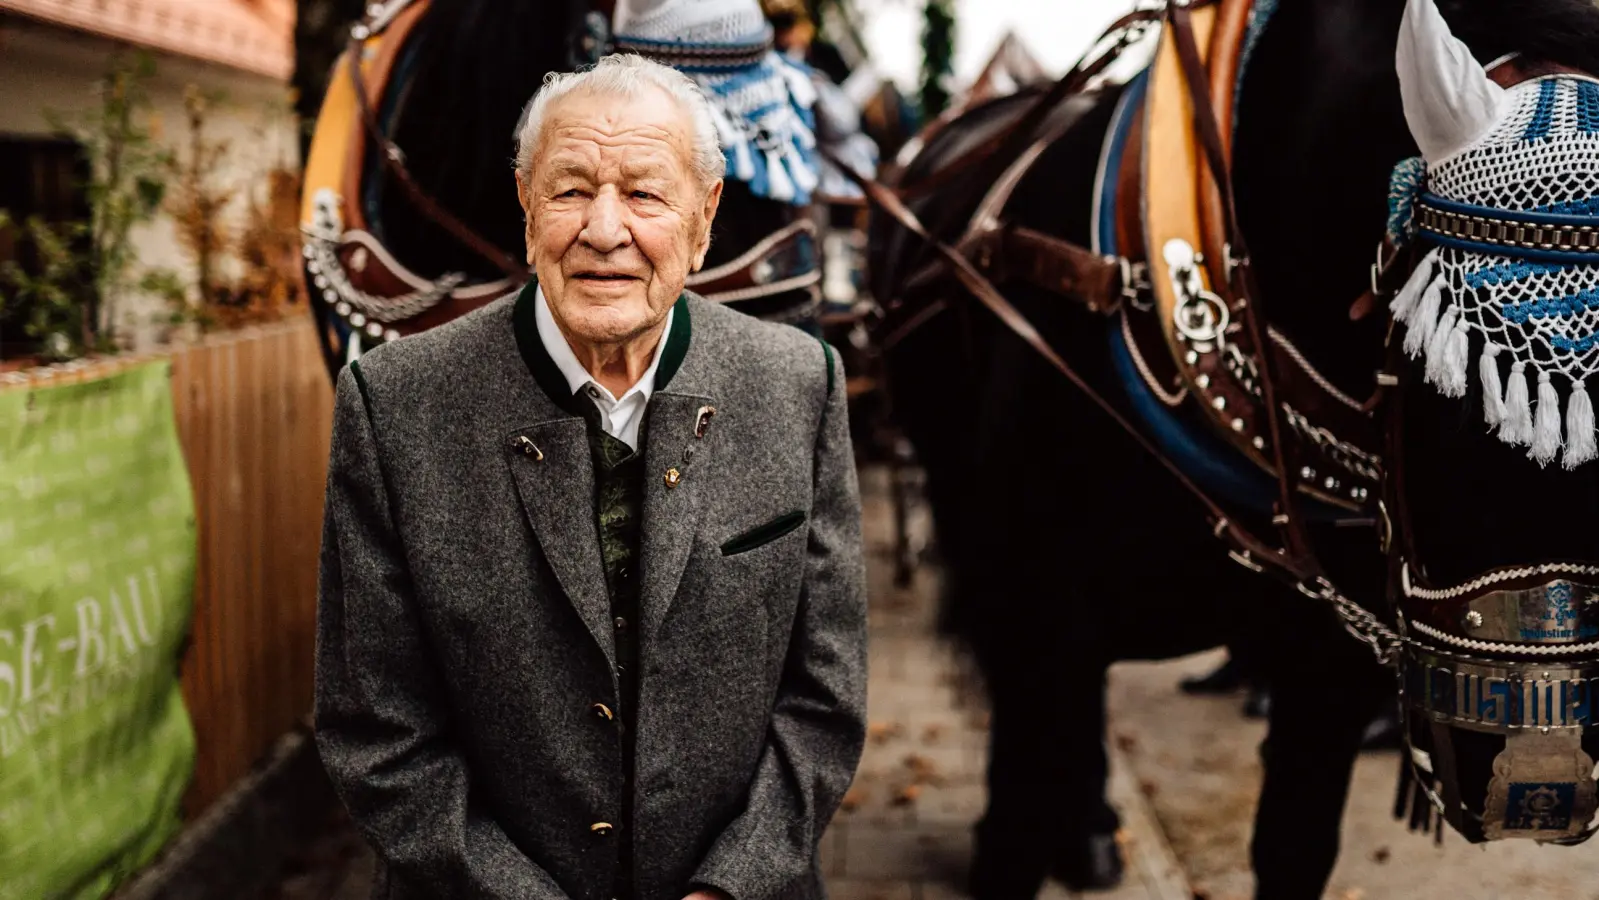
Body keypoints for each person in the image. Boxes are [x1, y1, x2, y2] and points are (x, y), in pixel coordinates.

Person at [313, 53, 868, 900]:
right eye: (571, 189)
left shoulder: (798, 387)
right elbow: (375, 730)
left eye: (645, 193)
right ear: (526, 204)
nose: (604, 230)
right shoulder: (394, 406)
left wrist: (728, 887)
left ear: (704, 215)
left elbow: (826, 699)